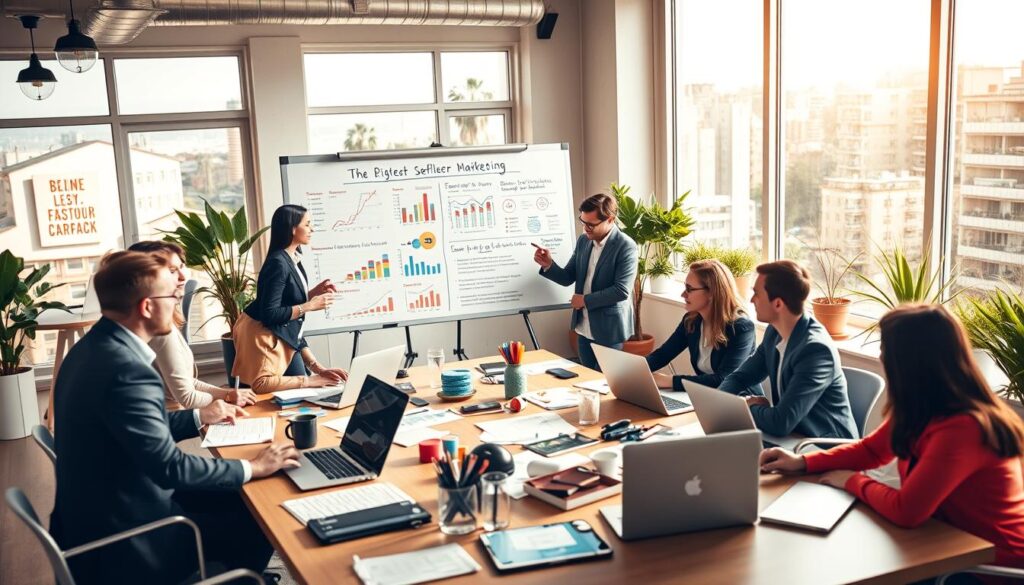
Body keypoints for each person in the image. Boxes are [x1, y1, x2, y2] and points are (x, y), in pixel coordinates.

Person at [51, 251, 302, 584]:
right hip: (129, 538)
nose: (177, 301)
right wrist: (253, 466)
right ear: (146, 306)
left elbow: (138, 430)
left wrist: (200, 418)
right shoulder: (128, 371)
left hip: (93, 517)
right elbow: (170, 467)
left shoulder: (90, 350)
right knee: (259, 514)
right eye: (172, 295)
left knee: (239, 496)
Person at [760, 304, 1024, 570]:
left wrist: (853, 481)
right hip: (942, 542)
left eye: (886, 349)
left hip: (990, 566)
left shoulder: (964, 428)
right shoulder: (923, 406)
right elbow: (871, 452)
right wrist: (802, 462)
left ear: (911, 362)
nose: (881, 357)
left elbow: (907, 511)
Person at [718, 260, 857, 439]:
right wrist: (720, 404)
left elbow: (780, 423)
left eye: (756, 294)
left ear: (778, 304)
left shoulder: (815, 350)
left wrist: (748, 407)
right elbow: (740, 377)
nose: (752, 300)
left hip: (824, 447)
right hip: (793, 439)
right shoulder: (774, 332)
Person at [128, 240, 256, 410]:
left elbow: (186, 382)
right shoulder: (158, 329)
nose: (183, 276)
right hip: (169, 422)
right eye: (172, 271)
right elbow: (186, 397)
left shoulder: (162, 320)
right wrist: (226, 398)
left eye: (182, 266)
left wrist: (228, 393)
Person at [233, 204, 347, 393]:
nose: (312, 229)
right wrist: (308, 305)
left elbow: (286, 302)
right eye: (308, 224)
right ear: (293, 228)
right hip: (266, 335)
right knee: (303, 386)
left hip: (284, 333)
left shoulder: (293, 257)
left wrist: (311, 294)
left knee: (308, 388)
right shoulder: (278, 263)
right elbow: (269, 313)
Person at [533, 193, 638, 371]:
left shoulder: (625, 246)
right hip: (584, 327)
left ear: (610, 220)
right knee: (586, 380)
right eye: (583, 222)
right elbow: (567, 277)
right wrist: (549, 264)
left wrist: (584, 300)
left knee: (604, 382)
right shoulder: (584, 241)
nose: (585, 228)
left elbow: (621, 290)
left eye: (591, 224)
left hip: (609, 329)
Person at [646, 259, 759, 394]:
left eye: (689, 289)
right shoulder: (691, 321)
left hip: (742, 401)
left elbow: (724, 379)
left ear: (712, 292)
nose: (683, 294)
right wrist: (631, 371)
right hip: (707, 397)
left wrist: (670, 381)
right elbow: (662, 355)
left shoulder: (741, 328)